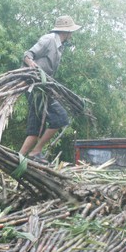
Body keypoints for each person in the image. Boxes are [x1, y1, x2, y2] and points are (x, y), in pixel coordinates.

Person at [19, 15, 81, 164]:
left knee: (35, 129)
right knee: (60, 118)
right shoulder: (49, 40)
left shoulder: (60, 46)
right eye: (71, 31)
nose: (71, 34)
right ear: (66, 32)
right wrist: (31, 64)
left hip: (41, 88)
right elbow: (27, 55)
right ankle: (35, 152)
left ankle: (18, 159)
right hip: (36, 87)